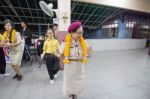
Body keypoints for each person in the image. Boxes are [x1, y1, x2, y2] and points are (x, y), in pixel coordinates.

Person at [62, 21, 88, 99]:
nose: (81, 35)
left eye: (82, 32)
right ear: (72, 32)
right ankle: (71, 95)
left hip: (79, 69)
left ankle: (75, 95)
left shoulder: (83, 42)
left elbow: (87, 54)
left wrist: (88, 53)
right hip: (69, 69)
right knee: (69, 85)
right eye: (79, 33)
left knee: (79, 86)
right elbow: (60, 54)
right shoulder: (66, 43)